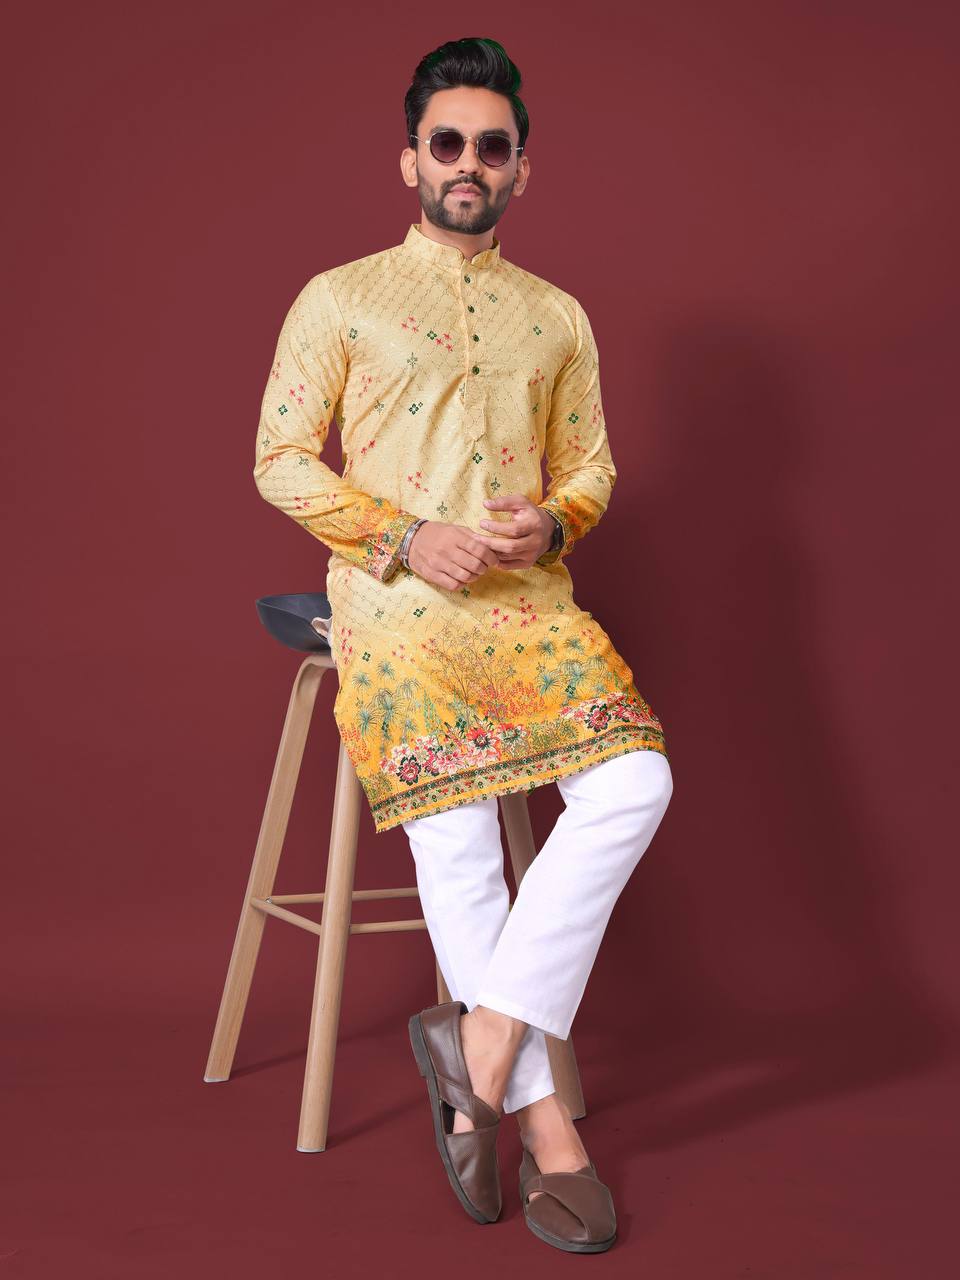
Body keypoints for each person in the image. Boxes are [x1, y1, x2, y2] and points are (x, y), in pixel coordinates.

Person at [254, 35, 673, 1254]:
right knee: (456, 824)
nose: (469, 163)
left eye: (494, 145)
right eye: (449, 143)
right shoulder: (338, 299)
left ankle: (477, 1045)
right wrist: (400, 537)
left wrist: (560, 511)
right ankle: (552, 1137)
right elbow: (280, 458)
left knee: (635, 778)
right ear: (410, 161)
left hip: (531, 603)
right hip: (395, 602)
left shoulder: (558, 317)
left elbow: (590, 462)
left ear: (521, 170)